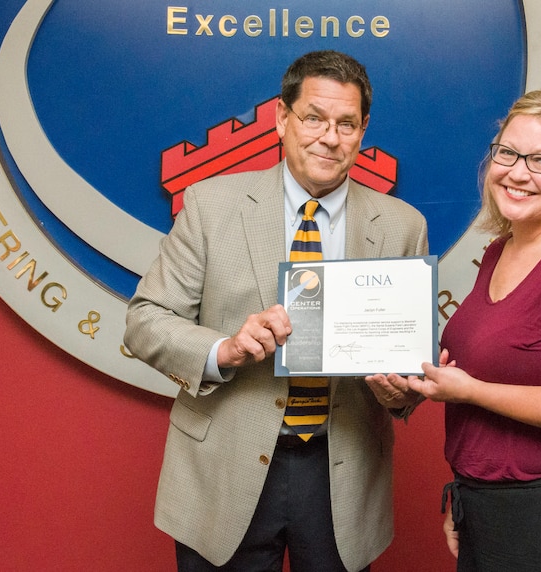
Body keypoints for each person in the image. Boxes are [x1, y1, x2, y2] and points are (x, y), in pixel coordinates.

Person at [124, 50, 427, 572]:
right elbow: (145, 319)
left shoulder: (402, 226)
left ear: (362, 130)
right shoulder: (210, 204)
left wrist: (399, 390)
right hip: (225, 464)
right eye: (314, 118)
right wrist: (226, 348)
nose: (329, 137)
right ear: (283, 119)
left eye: (346, 124)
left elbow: (407, 365)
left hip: (342, 470)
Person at [370, 86, 541, 571]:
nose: (517, 173)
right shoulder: (499, 251)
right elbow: (495, 372)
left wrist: (470, 391)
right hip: (491, 511)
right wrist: (414, 390)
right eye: (508, 153)